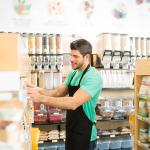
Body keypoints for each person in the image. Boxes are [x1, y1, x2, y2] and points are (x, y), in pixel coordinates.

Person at [27, 39, 103, 150]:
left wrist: (41, 98)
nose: (71, 59)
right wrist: (38, 89)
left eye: (76, 56)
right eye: (71, 55)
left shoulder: (93, 76)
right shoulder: (73, 73)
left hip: (85, 134)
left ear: (86, 57)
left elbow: (73, 102)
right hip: (71, 130)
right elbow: (58, 92)